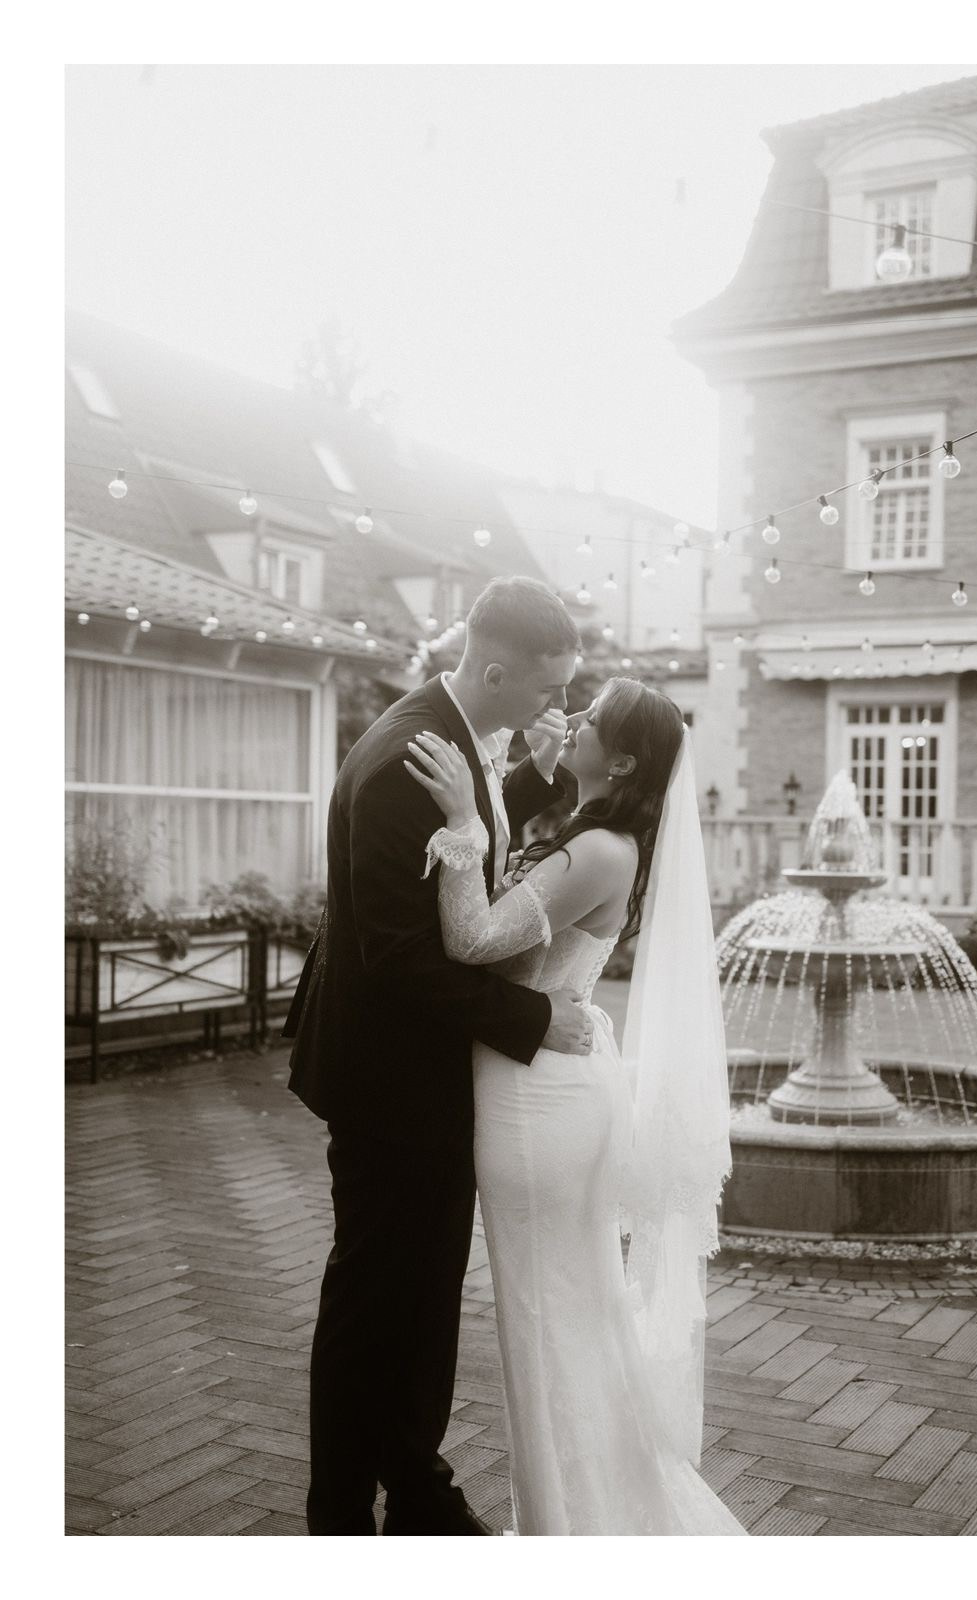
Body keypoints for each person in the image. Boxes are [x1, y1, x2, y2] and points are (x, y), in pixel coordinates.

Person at [283, 576, 594, 1536]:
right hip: (389, 1078)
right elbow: (402, 956)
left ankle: (418, 1493)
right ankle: (343, 1517)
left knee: (415, 1298)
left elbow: (468, 835)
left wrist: (535, 779)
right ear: (495, 673)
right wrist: (534, 1019)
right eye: (549, 687)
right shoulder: (406, 762)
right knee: (376, 1299)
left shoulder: (455, 736)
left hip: (410, 1067)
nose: (561, 703)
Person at [404, 675, 746, 1535]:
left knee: (546, 1319)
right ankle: (579, 1518)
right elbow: (520, 930)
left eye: (594, 717)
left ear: (622, 761)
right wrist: (534, 780)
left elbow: (474, 939)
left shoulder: (598, 851)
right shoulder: (595, 837)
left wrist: (463, 823)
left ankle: (579, 1531)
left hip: (537, 1101)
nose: (575, 716)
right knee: (565, 1314)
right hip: (548, 1081)